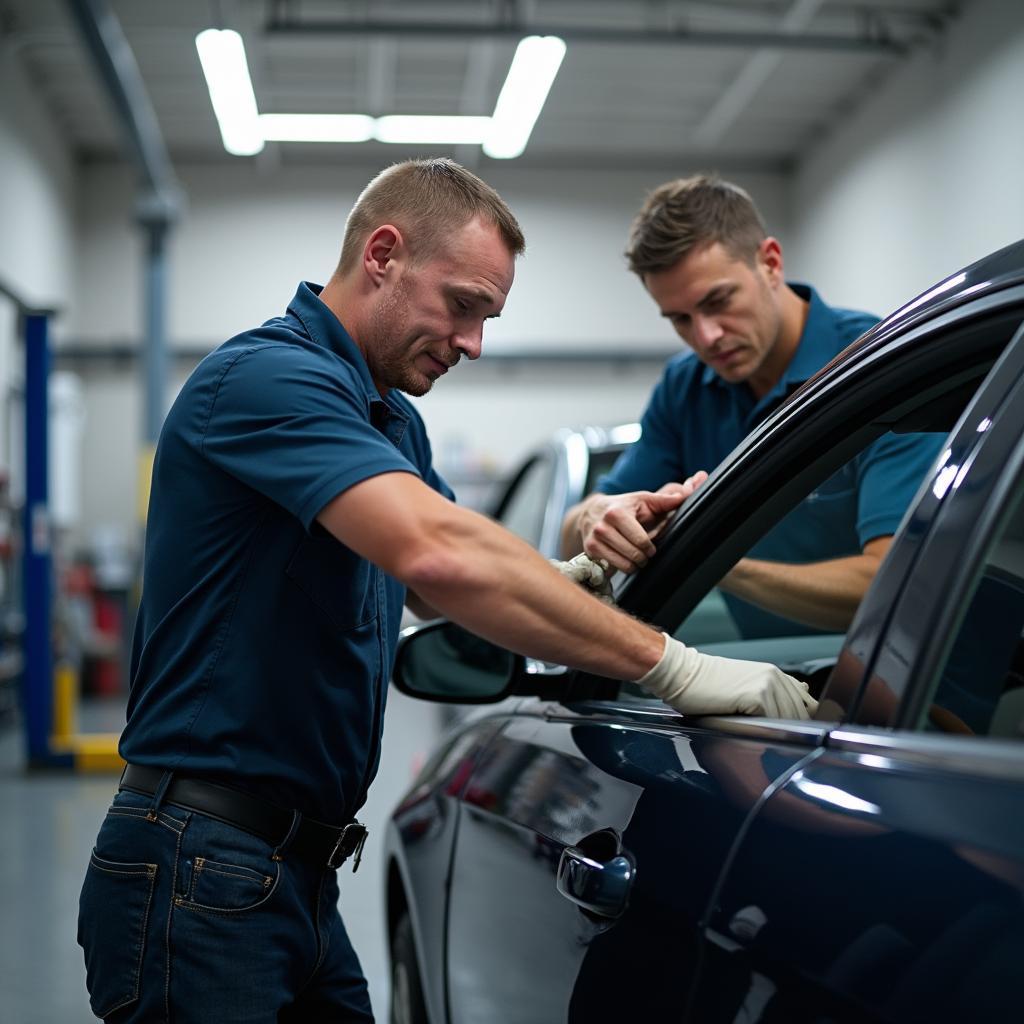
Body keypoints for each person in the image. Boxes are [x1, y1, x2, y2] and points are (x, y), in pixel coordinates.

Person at [77, 159, 815, 1024]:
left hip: (294, 876)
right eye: (463, 305)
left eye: (488, 318)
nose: (474, 344)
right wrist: (676, 668)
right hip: (198, 865)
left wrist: (577, 576)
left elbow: (440, 584)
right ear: (383, 253)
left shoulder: (390, 418)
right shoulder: (265, 380)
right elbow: (438, 557)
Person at [561, 174, 943, 637]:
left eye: (718, 301)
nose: (706, 337)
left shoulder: (881, 365)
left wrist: (707, 551)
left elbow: (893, 584)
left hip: (908, 686)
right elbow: (573, 532)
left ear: (770, 262)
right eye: (680, 318)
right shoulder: (685, 387)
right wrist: (596, 516)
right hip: (767, 682)